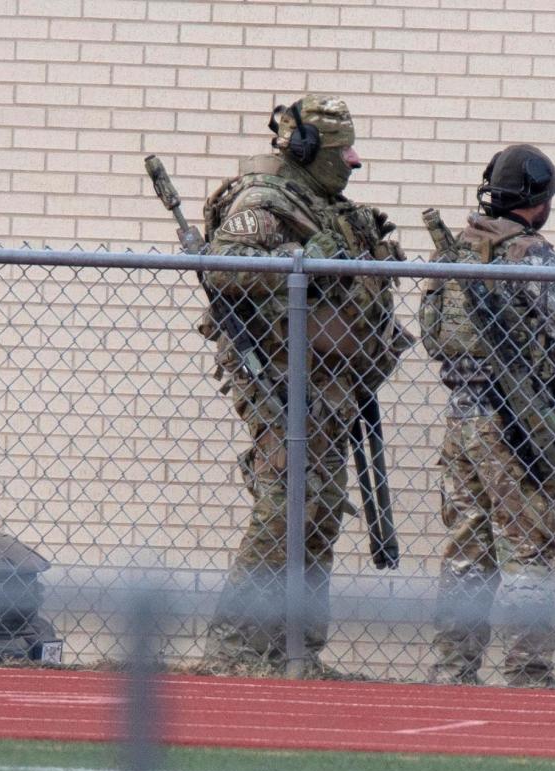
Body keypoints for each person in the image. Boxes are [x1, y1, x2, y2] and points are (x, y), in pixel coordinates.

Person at [198, 94, 410, 678]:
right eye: (343, 151)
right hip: (283, 383)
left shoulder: (320, 201)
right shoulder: (266, 198)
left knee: (318, 512)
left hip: (330, 387)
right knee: (283, 508)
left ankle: (296, 651)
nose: (353, 162)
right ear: (308, 148)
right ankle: (235, 649)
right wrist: (302, 260)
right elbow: (223, 265)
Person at [419, 144, 555, 687]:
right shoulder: (531, 254)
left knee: (468, 552)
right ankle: (529, 675)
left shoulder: (455, 251)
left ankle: (452, 672)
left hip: (462, 419)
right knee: (527, 548)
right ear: (538, 196)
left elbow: (434, 335)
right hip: (518, 422)